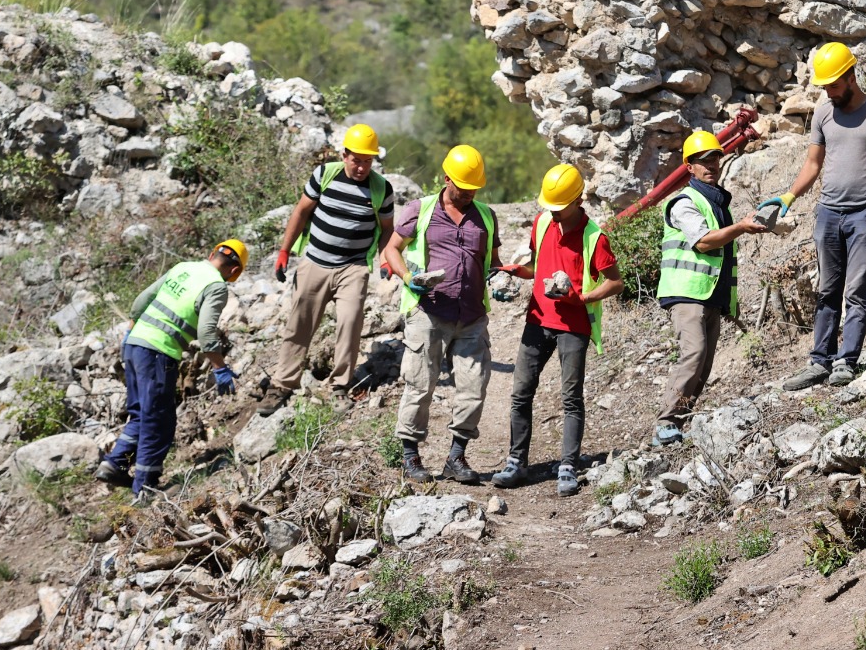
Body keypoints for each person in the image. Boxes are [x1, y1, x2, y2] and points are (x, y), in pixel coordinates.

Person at [771, 43, 866, 391]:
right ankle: (820, 361)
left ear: (850, 76)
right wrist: (789, 195)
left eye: (833, 85)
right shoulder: (823, 114)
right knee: (827, 290)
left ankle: (847, 361)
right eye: (824, 87)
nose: (828, 92)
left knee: (857, 290)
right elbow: (813, 164)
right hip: (828, 213)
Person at [489, 164, 625, 497]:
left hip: (573, 327)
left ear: (578, 200)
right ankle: (515, 462)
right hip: (537, 321)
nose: (552, 212)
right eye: (549, 206)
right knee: (521, 392)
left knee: (571, 398)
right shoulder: (542, 222)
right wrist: (517, 270)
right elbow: (537, 266)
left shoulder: (595, 236)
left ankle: (568, 465)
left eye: (559, 207)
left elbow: (616, 282)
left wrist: (584, 298)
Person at [380, 145, 501, 485]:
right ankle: (410, 456)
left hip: (472, 316)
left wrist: (501, 276)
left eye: (475, 188)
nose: (470, 193)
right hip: (429, 312)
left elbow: (491, 261)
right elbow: (391, 248)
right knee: (420, 384)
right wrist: (408, 279)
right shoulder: (420, 210)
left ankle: (456, 457)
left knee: (474, 387)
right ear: (447, 179)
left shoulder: (486, 215)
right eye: (464, 187)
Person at [259, 124, 395, 416]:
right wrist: (284, 251)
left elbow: (387, 229)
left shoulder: (382, 189)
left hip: (353, 267)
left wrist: (385, 259)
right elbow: (301, 211)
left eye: (367, 161)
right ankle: (282, 385)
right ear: (344, 155)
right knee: (299, 324)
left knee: (350, 323)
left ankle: (339, 387)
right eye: (356, 159)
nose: (361, 167)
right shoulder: (325, 175)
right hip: (315, 262)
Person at [97, 240, 246, 500]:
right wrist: (219, 366)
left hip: (134, 344)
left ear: (211, 253)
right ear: (234, 272)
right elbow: (206, 332)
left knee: (142, 413)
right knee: (159, 421)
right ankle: (145, 489)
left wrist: (132, 329)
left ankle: (115, 464)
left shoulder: (182, 267)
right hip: (158, 352)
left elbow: (142, 300)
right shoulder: (216, 287)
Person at [653, 131, 769, 447]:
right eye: (703, 161)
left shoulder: (719, 203)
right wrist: (742, 228)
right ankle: (665, 423)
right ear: (689, 166)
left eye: (714, 158)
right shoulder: (684, 202)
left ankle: (679, 423)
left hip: (711, 293)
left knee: (704, 362)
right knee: (694, 352)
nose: (711, 165)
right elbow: (703, 242)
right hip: (687, 291)